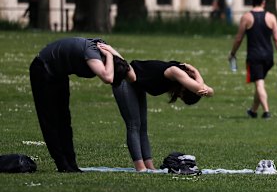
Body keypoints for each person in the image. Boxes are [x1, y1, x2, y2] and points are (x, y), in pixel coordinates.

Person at [29, 37, 128, 172]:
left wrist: (111, 52)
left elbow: (125, 66)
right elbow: (108, 77)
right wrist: (110, 55)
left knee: (64, 120)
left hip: (59, 73)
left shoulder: (105, 52)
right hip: (42, 69)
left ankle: (71, 164)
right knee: (50, 120)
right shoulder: (94, 54)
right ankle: (62, 165)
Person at [111, 58, 214, 172]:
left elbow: (211, 91)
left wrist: (196, 74)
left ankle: (149, 166)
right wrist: (195, 72)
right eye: (181, 94)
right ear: (186, 87)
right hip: (124, 79)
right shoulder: (176, 72)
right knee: (133, 125)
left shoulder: (184, 78)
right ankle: (140, 167)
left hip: (137, 85)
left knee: (143, 127)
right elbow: (200, 88)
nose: (178, 95)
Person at [229, 0, 277, 119]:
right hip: (268, 56)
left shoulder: (247, 17)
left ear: (252, 2)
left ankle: (266, 111)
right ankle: (253, 111)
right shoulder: (271, 17)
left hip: (254, 56)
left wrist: (233, 53)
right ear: (263, 3)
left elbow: (239, 38)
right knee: (259, 83)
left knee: (259, 84)